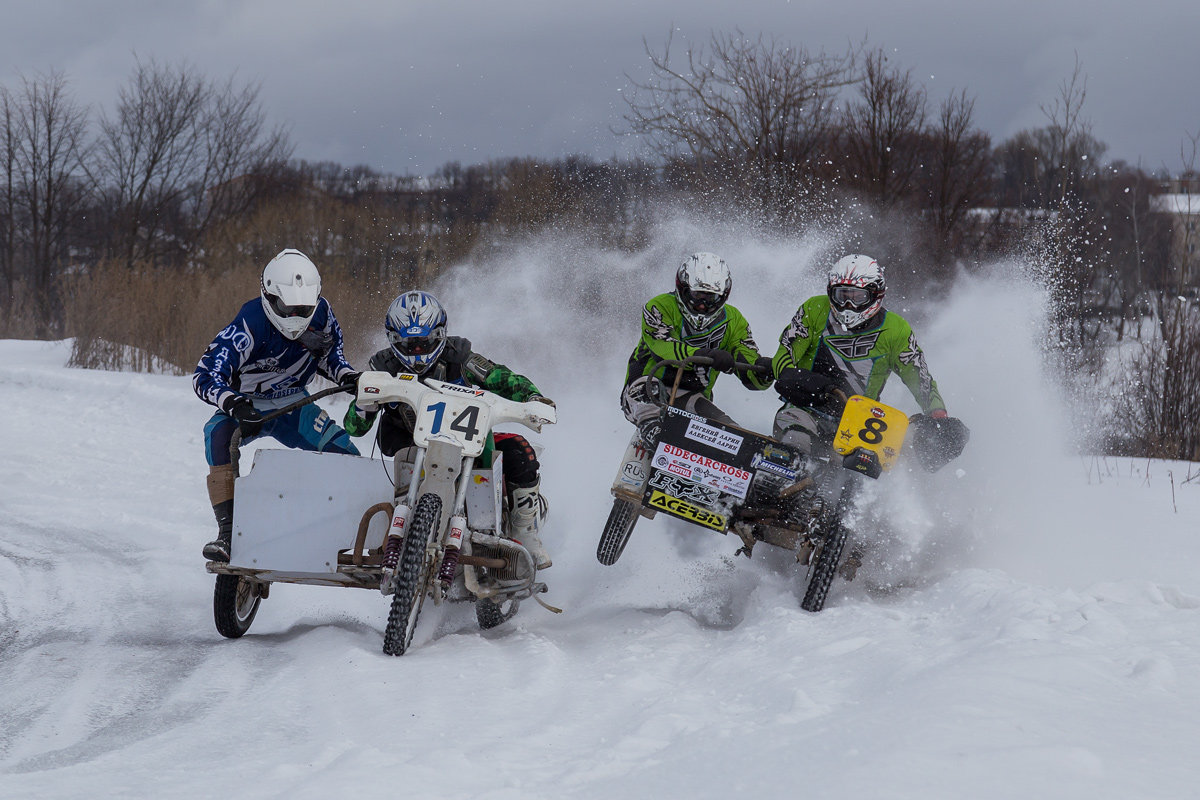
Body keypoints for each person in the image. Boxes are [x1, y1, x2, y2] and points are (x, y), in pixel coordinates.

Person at [768, 254, 968, 577]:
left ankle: (868, 543)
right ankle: (792, 504)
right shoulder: (813, 310)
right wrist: (795, 378)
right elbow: (784, 355)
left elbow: (921, 379)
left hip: (860, 422)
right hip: (806, 407)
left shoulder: (896, 331)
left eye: (856, 297)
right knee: (794, 439)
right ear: (830, 293)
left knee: (891, 464)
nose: (847, 305)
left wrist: (938, 417)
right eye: (841, 296)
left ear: (876, 296)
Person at [342, 290, 557, 570]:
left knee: (520, 451)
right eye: (409, 344)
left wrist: (533, 398)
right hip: (410, 453)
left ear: (440, 335)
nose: (417, 351)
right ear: (393, 340)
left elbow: (505, 379)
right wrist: (365, 401)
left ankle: (525, 532)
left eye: (424, 342)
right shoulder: (382, 368)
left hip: (469, 446)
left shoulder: (461, 358)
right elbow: (354, 427)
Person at [193, 249, 362, 563]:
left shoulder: (323, 314)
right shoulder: (249, 322)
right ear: (269, 297)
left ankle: (340, 535)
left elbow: (333, 357)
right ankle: (228, 534)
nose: (296, 315)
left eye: (304, 307)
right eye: (287, 306)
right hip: (249, 406)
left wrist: (349, 376)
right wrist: (234, 404)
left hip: (295, 403)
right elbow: (204, 374)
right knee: (216, 434)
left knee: (349, 457)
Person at [620, 252, 774, 448]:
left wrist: (765, 370)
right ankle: (652, 435)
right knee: (651, 411)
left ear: (723, 295)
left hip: (692, 397)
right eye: (698, 294)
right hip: (645, 389)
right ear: (683, 288)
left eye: (711, 297)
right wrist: (705, 355)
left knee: (732, 436)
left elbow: (749, 367)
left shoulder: (735, 321)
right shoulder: (658, 306)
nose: (702, 304)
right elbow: (663, 347)